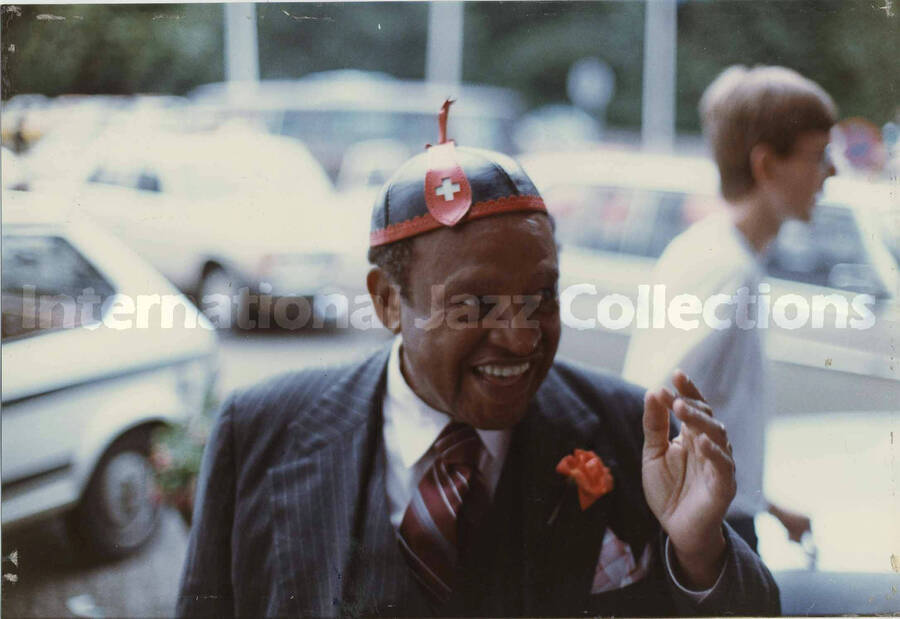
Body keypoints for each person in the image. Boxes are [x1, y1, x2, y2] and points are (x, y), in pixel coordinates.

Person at [177, 101, 779, 616]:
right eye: (475, 305)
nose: (520, 338)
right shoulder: (259, 432)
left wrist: (701, 552)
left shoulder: (628, 433)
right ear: (388, 302)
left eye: (540, 297)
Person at [623, 65, 837, 552]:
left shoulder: (716, 252)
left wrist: (768, 505)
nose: (833, 170)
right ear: (766, 166)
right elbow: (653, 409)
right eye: (818, 155)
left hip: (718, 520)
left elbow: (705, 417)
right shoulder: (727, 269)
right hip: (709, 533)